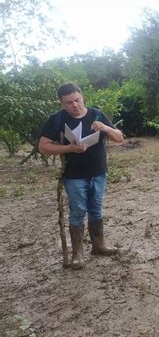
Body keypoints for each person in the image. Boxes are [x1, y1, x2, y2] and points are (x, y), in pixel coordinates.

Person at [39, 82, 124, 269]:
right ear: (61, 102)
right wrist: (69, 148)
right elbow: (43, 146)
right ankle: (77, 254)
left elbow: (119, 138)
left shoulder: (97, 114)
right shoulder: (57, 119)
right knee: (77, 212)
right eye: (69, 103)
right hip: (74, 175)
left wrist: (105, 128)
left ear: (82, 96)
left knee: (96, 209)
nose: (75, 105)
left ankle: (99, 246)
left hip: (99, 173)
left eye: (77, 100)